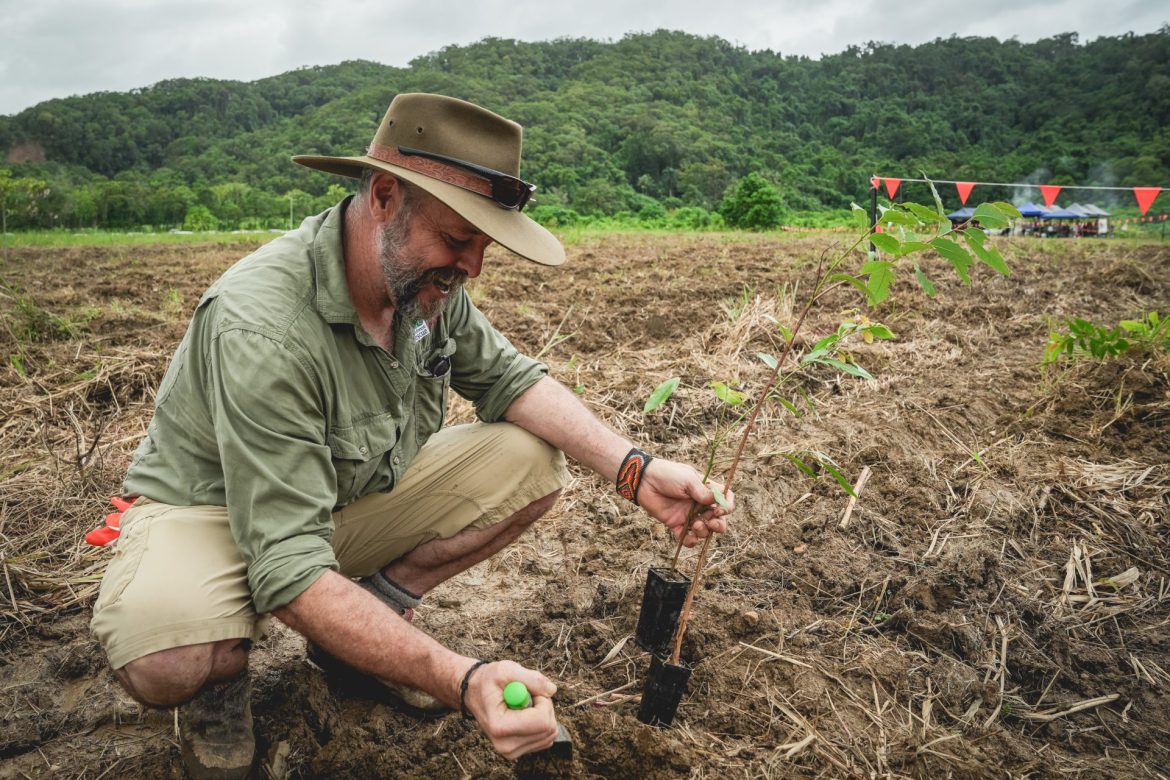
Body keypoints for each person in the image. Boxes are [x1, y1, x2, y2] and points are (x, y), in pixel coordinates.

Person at [90, 93, 731, 779]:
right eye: (459, 239)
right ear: (387, 197)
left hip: (330, 503)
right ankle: (218, 689)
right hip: (210, 513)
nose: (472, 268)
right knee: (168, 659)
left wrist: (637, 470)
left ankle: (355, 635)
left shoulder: (424, 288)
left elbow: (512, 382)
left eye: (484, 246)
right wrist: (459, 678)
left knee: (531, 460)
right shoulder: (264, 326)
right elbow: (287, 566)